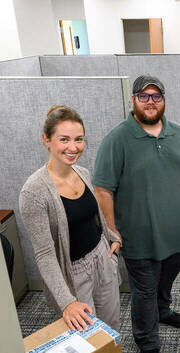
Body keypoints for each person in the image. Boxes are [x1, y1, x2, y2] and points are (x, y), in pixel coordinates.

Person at [92, 75, 180, 353]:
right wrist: (113, 231)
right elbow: (103, 189)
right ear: (133, 100)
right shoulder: (118, 139)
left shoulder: (177, 133)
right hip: (139, 236)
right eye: (144, 96)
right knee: (144, 290)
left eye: (156, 96)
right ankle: (147, 343)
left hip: (177, 232)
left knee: (167, 279)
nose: (150, 102)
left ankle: (163, 310)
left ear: (164, 100)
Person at [19, 105, 122, 333]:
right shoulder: (34, 192)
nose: (73, 148)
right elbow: (44, 253)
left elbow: (93, 217)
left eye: (79, 139)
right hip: (73, 272)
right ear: (47, 140)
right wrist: (67, 301)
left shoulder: (83, 172)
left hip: (101, 257)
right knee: (87, 335)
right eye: (64, 139)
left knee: (111, 325)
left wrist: (112, 239)